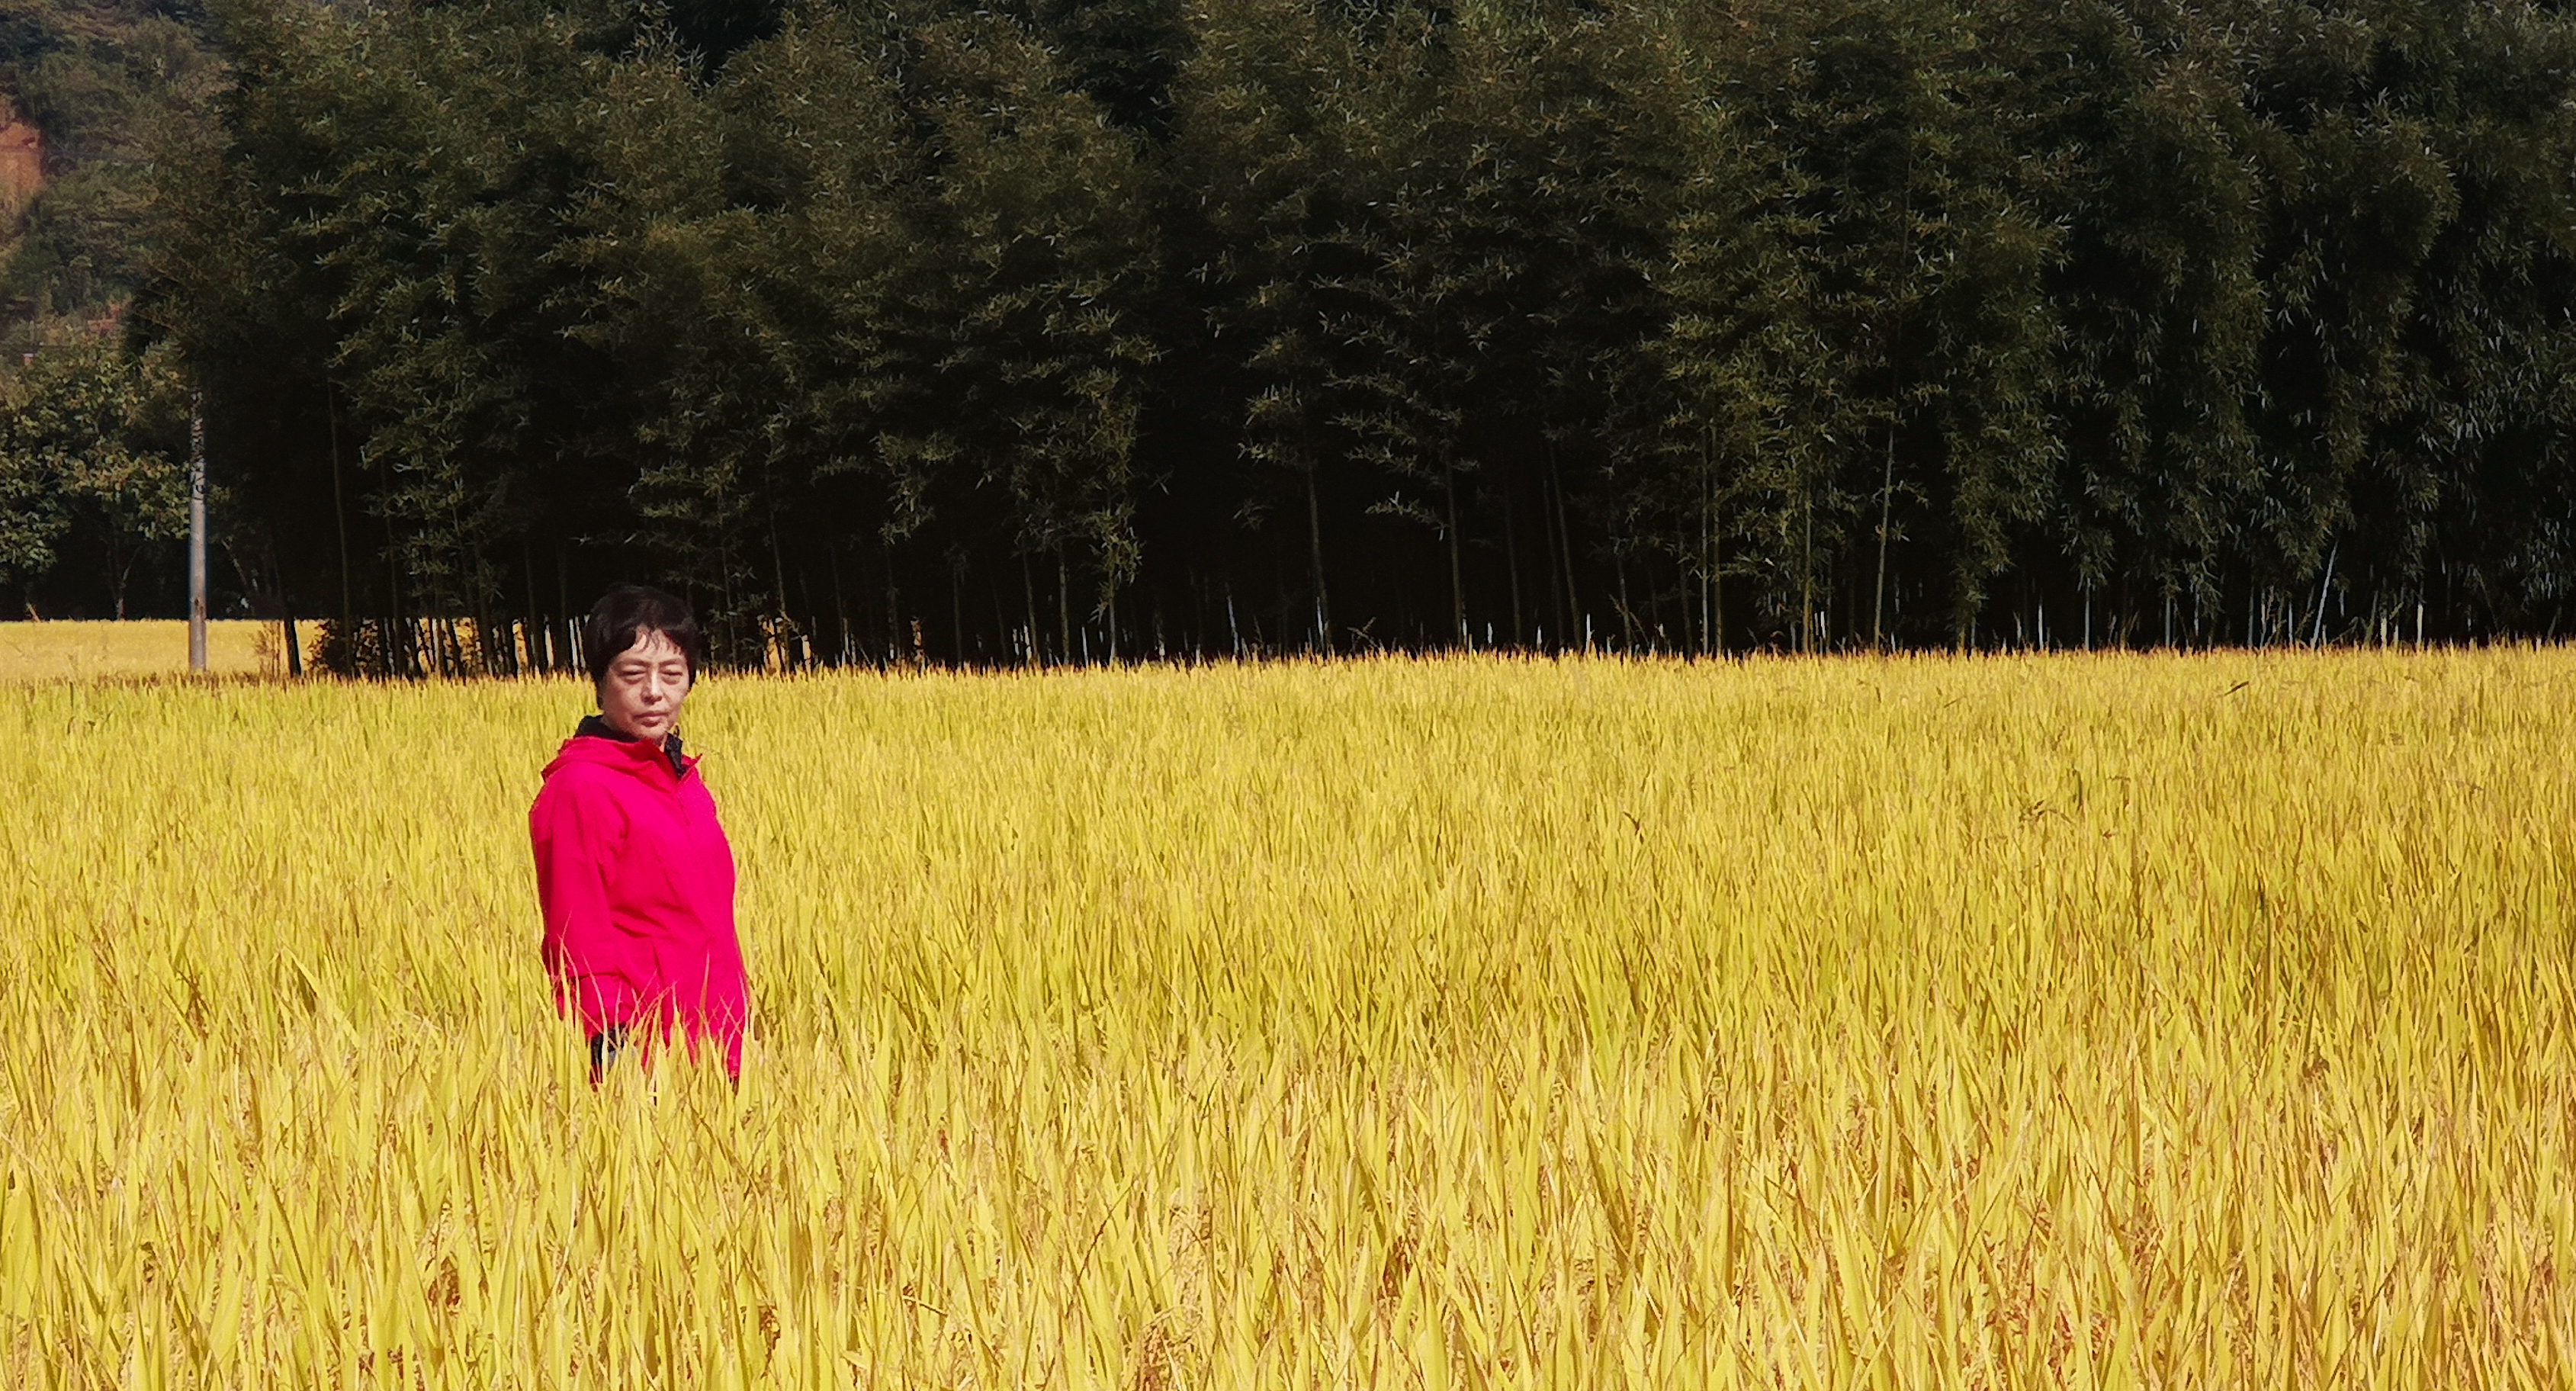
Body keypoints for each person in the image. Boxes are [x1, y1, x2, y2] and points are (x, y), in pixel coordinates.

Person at [529, 584, 747, 1081]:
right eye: (633, 674)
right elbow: (577, 938)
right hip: (650, 1063)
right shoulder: (580, 789)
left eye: (672, 675)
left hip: (721, 1051)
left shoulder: (684, 782)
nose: (655, 692)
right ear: (600, 682)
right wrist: (614, 1058)